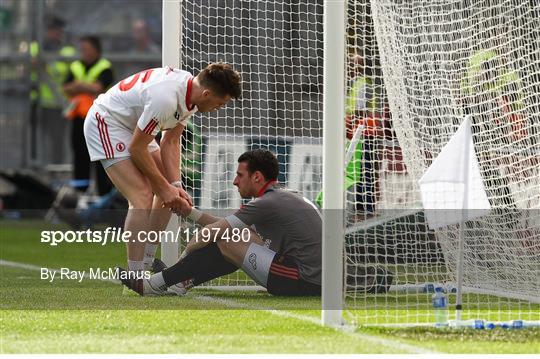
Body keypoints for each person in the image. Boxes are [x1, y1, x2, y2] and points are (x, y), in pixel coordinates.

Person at [83, 62, 241, 279]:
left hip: (134, 127)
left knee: (171, 192)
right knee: (142, 196)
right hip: (107, 122)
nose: (218, 109)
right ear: (206, 93)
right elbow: (137, 149)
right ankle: (135, 275)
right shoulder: (166, 99)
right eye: (220, 104)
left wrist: (174, 185)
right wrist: (162, 187)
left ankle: (148, 263)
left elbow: (171, 141)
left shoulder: (191, 93)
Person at [119, 149, 322, 297]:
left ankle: (155, 284)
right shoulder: (281, 197)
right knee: (236, 238)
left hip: (303, 280)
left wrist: (183, 259)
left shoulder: (267, 203)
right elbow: (228, 227)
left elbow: (213, 232)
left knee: (226, 241)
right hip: (315, 279)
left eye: (240, 175)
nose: (235, 181)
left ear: (257, 177)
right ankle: (180, 282)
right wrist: (189, 212)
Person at [63, 35, 114, 195]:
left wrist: (79, 85)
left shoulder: (104, 67)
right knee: (80, 156)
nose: (83, 52)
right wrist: (84, 87)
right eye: (82, 49)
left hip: (99, 120)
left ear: (96, 50)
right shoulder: (75, 66)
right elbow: (66, 87)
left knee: (101, 155)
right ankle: (80, 193)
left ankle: (103, 195)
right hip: (79, 118)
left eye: (87, 49)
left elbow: (98, 87)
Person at [30, 16, 76, 164]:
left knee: (57, 139)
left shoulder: (68, 51)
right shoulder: (35, 48)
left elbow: (72, 73)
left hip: (57, 103)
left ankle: (55, 168)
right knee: (35, 138)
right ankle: (35, 165)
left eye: (55, 30)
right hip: (37, 100)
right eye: (50, 30)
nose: (52, 34)